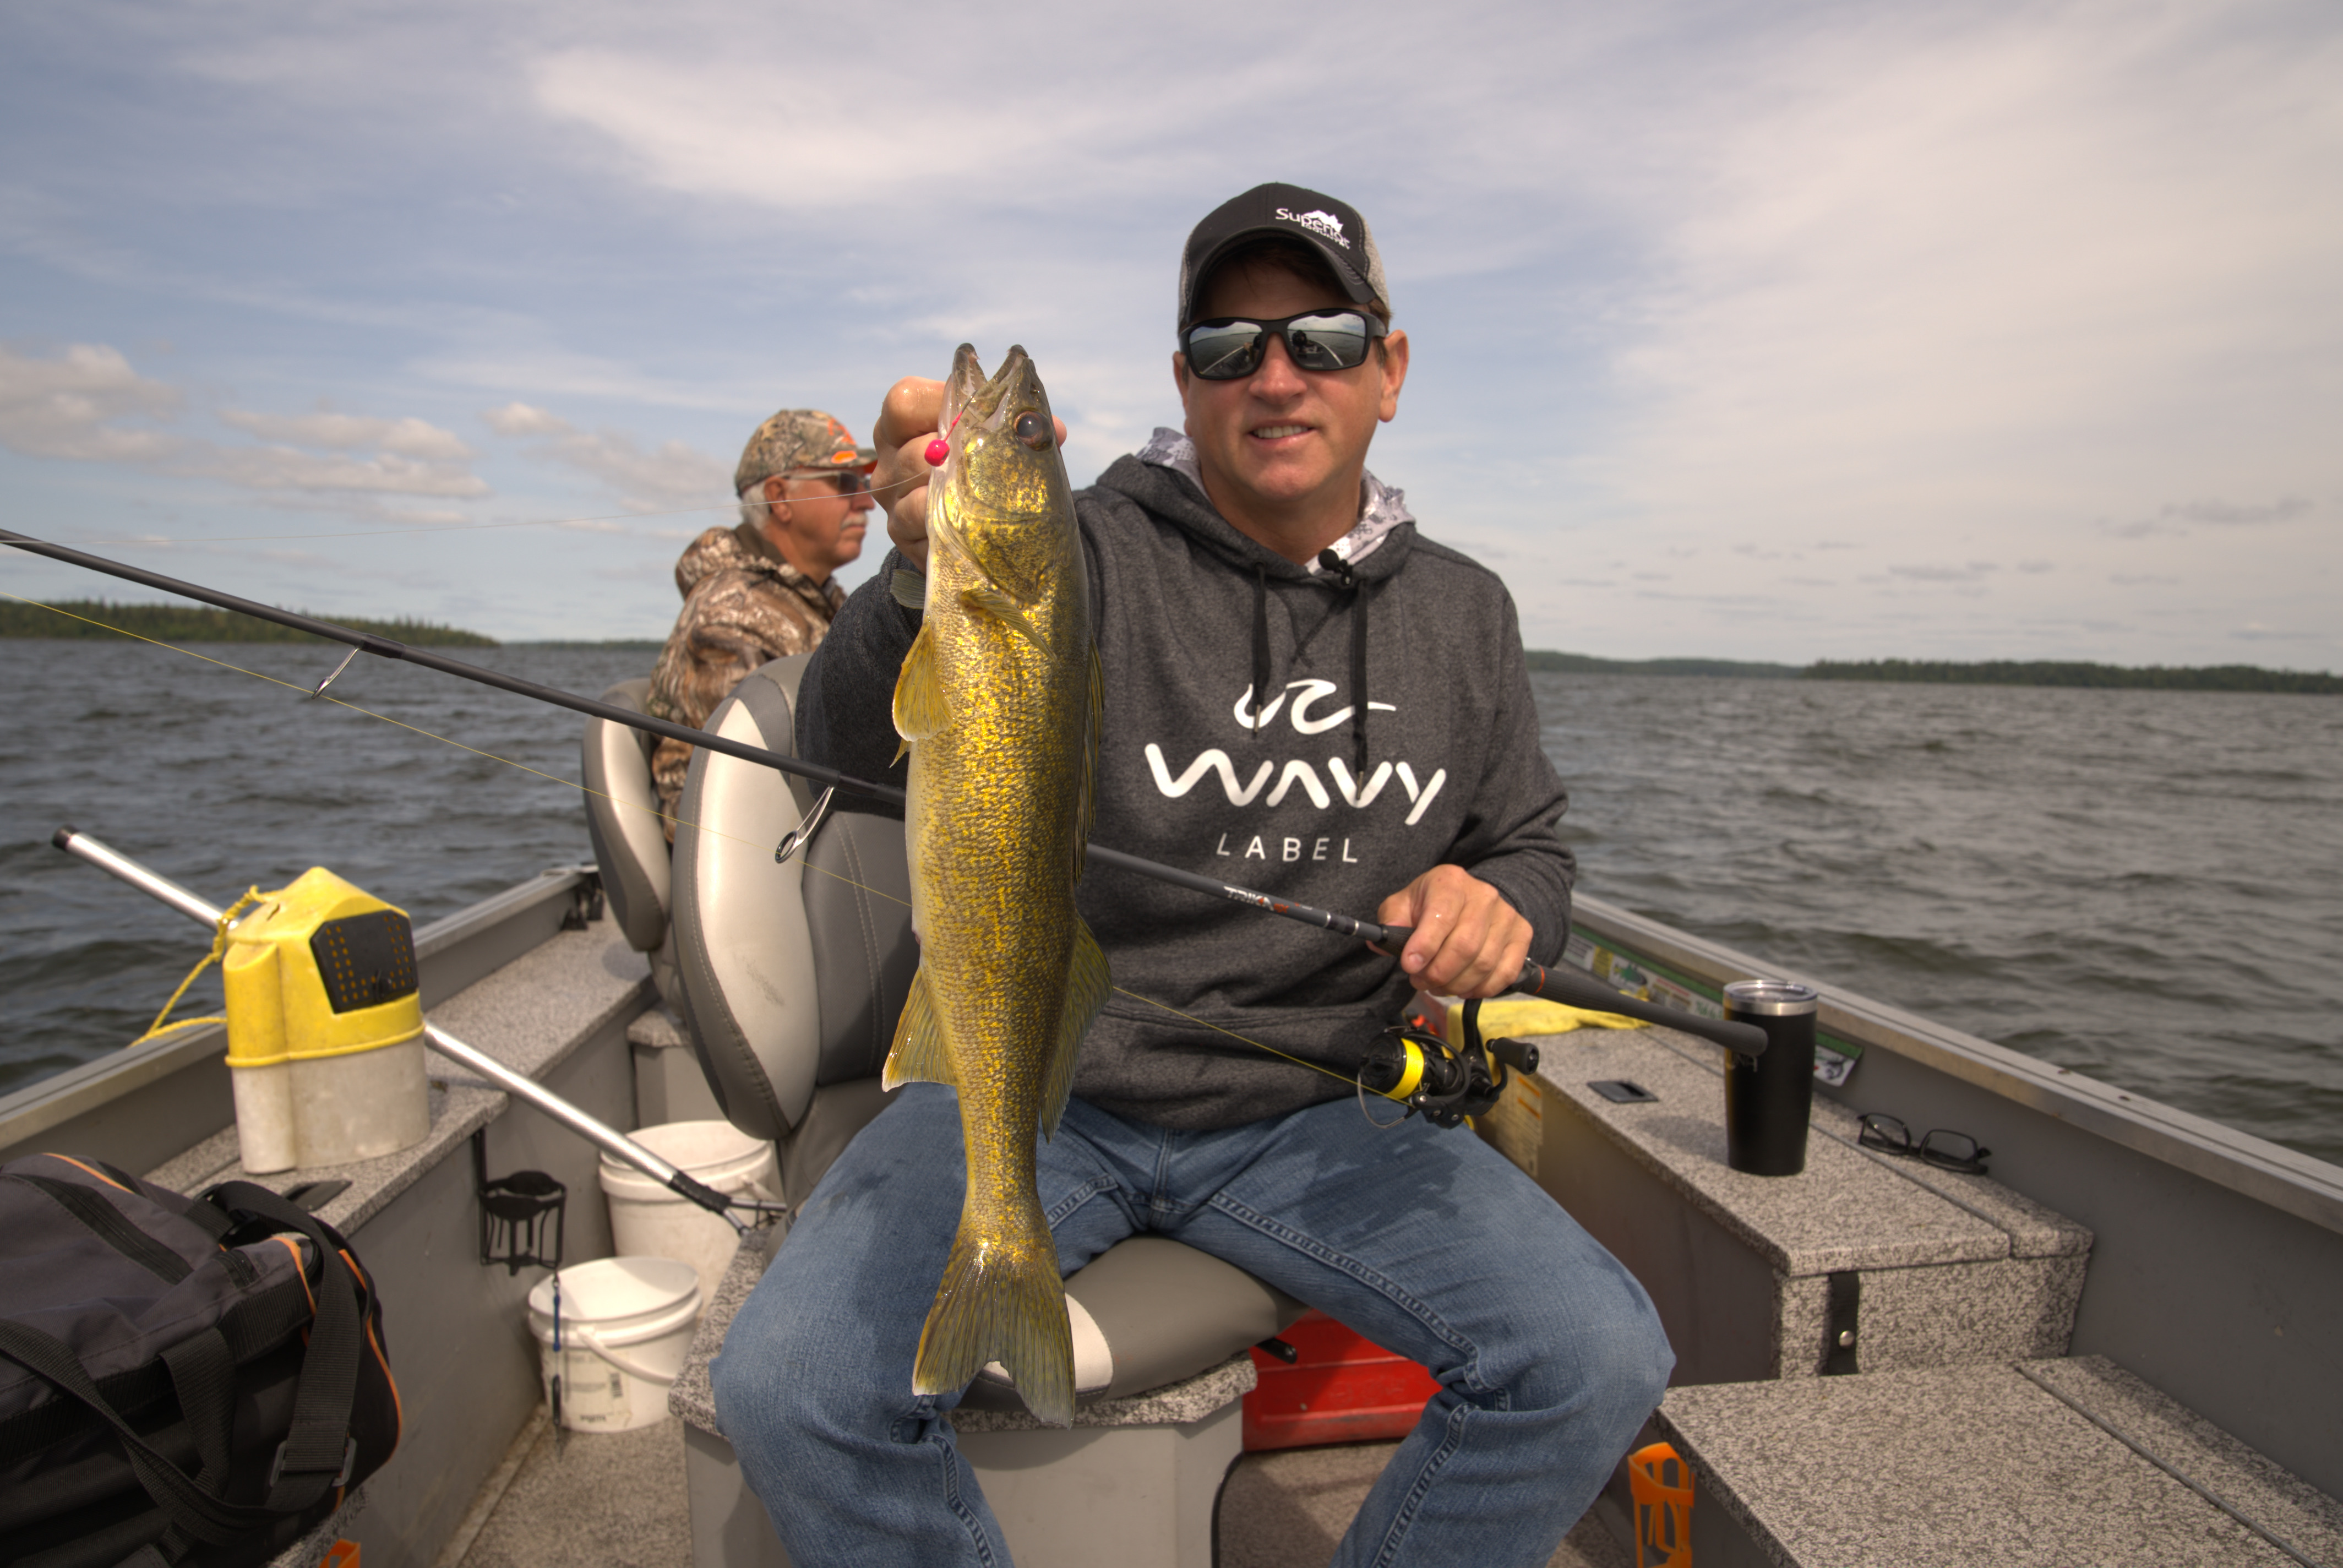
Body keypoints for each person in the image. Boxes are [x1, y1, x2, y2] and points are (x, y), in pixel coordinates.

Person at [712, 184, 1672, 1566]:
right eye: (1229, 345)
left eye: (1321, 337)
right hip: (1039, 1079)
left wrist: (1505, 900)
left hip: (1326, 1105)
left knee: (1591, 1355)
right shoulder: (1072, 541)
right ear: (1185, 379)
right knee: (790, 1385)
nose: (1275, 376)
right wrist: (923, 566)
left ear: (1388, 371)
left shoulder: (1467, 611)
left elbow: (1528, 839)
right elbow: (848, 751)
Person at [646, 409, 876, 837]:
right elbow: (748, 801)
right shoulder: (729, 612)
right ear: (780, 498)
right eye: (846, 483)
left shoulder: (822, 602)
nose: (867, 500)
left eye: (866, 483)